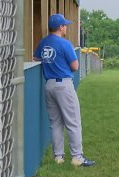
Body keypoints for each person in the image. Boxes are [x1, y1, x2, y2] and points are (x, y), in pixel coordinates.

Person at [33, 13, 95, 167]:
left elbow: (35, 59)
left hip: (49, 85)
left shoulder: (43, 42)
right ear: (60, 27)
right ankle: (77, 158)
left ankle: (58, 157)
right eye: (64, 25)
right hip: (63, 84)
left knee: (55, 123)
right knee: (73, 122)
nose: (66, 27)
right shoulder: (65, 43)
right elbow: (75, 66)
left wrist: (52, 64)